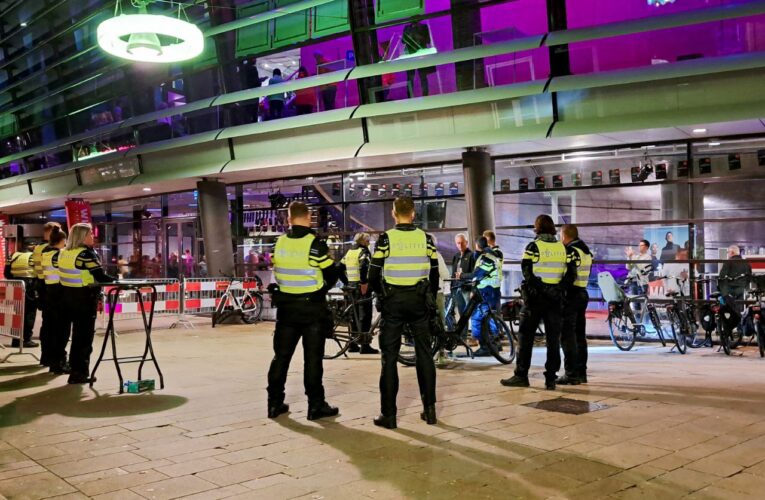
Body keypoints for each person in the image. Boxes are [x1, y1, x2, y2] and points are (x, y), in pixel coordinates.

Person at [368, 197, 439, 429]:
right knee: (425, 355)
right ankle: (430, 411)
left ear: (393, 213)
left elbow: (373, 274)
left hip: (394, 302)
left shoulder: (386, 238)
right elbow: (435, 272)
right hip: (419, 301)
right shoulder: (425, 238)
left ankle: (388, 415)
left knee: (389, 359)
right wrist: (430, 296)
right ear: (414, 214)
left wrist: (381, 296)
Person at [267, 201, 339, 421]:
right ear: (308, 218)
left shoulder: (278, 244)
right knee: (313, 359)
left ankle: (274, 403)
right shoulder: (315, 244)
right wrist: (321, 288)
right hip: (311, 309)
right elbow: (331, 273)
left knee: (281, 358)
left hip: (286, 310)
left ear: (289, 219)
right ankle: (315, 406)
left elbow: (277, 271)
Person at [501, 215, 575, 390]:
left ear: (537, 228)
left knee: (525, 337)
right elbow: (571, 274)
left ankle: (521, 375)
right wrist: (557, 289)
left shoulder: (533, 247)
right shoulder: (564, 249)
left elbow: (527, 272)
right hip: (555, 300)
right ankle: (551, 378)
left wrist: (543, 288)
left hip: (535, 300)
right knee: (553, 340)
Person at [58, 223, 115, 384]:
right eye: (90, 234)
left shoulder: (64, 253)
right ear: (82, 237)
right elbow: (100, 276)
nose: (93, 237)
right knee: (83, 339)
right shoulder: (85, 254)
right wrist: (118, 280)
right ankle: (80, 373)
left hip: (67, 298)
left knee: (76, 336)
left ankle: (74, 370)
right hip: (84, 298)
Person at [558, 224, 593, 386]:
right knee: (579, 335)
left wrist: (559, 290)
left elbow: (569, 275)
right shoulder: (586, 251)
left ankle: (571, 373)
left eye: (560, 236)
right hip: (582, 293)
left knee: (567, 335)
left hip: (571, 295)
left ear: (564, 236)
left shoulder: (571, 251)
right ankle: (581, 372)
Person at [339, 233, 378, 354]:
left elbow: (340, 268)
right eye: (367, 241)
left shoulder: (350, 252)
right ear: (363, 241)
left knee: (353, 316)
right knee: (364, 316)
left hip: (351, 287)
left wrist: (346, 282)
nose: (368, 243)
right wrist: (364, 283)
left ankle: (352, 344)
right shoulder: (363, 252)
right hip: (361, 288)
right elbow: (364, 267)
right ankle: (365, 346)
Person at [464, 237, 500, 357]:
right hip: (492, 291)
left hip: (486, 291)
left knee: (477, 319)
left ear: (477, 246)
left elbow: (478, 274)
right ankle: (493, 344)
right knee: (488, 318)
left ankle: (485, 347)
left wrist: (462, 276)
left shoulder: (487, 257)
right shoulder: (493, 255)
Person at [41, 227, 69, 374]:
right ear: (63, 240)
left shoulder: (45, 253)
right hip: (60, 293)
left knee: (51, 329)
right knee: (62, 331)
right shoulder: (59, 255)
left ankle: (50, 359)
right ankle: (59, 362)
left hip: (50, 293)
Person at [32, 222, 61, 357]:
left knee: (47, 323)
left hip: (41, 284)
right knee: (54, 324)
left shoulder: (38, 248)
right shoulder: (50, 250)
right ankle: (51, 356)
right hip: (51, 286)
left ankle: (45, 355)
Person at [5, 242, 39, 348]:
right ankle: (26, 339)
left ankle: (15, 340)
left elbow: (6, 273)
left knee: (17, 314)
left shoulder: (13, 255)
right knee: (29, 313)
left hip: (15, 286)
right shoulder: (33, 257)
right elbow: (39, 273)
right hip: (30, 287)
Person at [402, 21, 435, 98]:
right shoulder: (407, 28)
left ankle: (425, 96)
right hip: (410, 56)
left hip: (421, 55)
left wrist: (417, 36)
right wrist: (409, 35)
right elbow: (403, 41)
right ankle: (410, 97)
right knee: (410, 78)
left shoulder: (424, 27)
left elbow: (428, 40)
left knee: (423, 76)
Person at [451, 233, 476, 318]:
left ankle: (474, 331)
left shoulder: (472, 255)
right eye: (458, 243)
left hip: (467, 289)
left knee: (472, 313)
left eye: (462, 242)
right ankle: (463, 332)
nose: (460, 245)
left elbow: (474, 274)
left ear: (467, 242)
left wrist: (473, 290)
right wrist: (452, 288)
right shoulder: (456, 256)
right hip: (457, 289)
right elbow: (453, 274)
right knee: (462, 315)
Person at [483, 230, 503, 310]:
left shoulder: (497, 252)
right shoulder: (493, 252)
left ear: (488, 240)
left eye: (485, 240)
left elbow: (495, 259)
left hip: (493, 287)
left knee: (495, 313)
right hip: (489, 287)